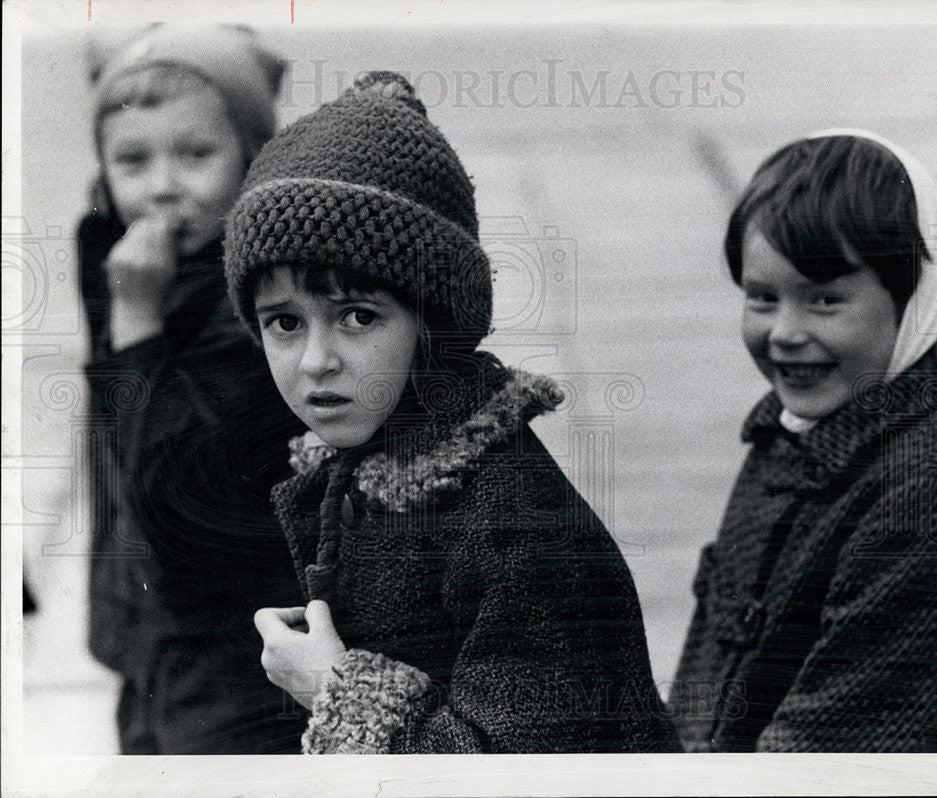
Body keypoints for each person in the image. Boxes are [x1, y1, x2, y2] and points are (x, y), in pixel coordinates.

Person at [225, 71, 680, 754]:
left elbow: (523, 777)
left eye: (357, 317)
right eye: (285, 322)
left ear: (433, 322)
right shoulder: (363, 472)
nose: (316, 359)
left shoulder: (514, 523)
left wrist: (336, 691)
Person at [666, 130, 937, 752]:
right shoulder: (793, 430)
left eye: (825, 300)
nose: (784, 332)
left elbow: (836, 746)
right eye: (761, 298)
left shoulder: (931, 494)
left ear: (914, 297)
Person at [79, 25, 307, 753]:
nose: (163, 185)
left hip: (236, 647)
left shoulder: (256, 298)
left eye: (196, 154)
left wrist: (136, 319)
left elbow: (174, 485)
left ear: (250, 156)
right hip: (148, 635)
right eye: (132, 160)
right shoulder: (121, 257)